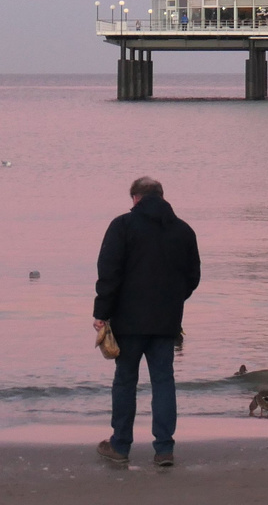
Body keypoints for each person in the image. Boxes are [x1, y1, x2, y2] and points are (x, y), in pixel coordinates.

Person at [94, 176, 201, 468]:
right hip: (166, 321)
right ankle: (164, 449)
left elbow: (109, 273)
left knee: (126, 381)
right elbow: (193, 277)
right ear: (162, 196)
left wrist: (101, 312)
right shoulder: (183, 230)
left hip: (128, 322)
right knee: (163, 381)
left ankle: (120, 444)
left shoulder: (123, 226)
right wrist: (174, 300)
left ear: (135, 199)